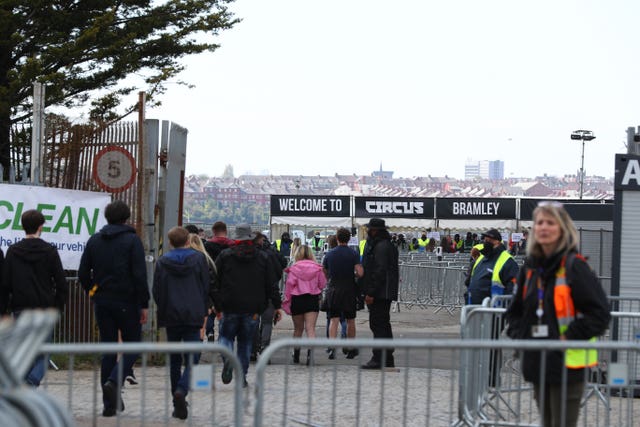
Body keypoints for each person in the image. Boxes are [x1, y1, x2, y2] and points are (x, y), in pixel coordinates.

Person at [505, 202, 610, 427]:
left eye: (550, 223)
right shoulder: (530, 269)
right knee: (547, 422)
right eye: (539, 222)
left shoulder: (575, 267)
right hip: (537, 360)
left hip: (567, 363)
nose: (543, 227)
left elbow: (599, 313)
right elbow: (514, 312)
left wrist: (567, 337)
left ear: (562, 229)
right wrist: (521, 336)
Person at [78, 200, 149, 417]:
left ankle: (109, 405)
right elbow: (139, 274)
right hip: (127, 302)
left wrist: (93, 291)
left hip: (102, 302)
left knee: (108, 349)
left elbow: (83, 273)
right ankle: (115, 381)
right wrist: (144, 303)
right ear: (126, 217)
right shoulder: (132, 241)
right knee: (133, 346)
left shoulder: (94, 240)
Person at [0, 209, 67, 387]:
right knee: (44, 354)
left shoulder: (13, 251)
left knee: (25, 352)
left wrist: (3, 309)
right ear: (40, 226)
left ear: (22, 226)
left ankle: (22, 387)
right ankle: (30, 382)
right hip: (45, 309)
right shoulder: (50, 251)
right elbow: (61, 283)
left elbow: (5, 284)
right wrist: (58, 307)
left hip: (20, 308)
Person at [213, 224, 283, 388]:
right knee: (245, 343)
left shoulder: (225, 256)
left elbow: (215, 280)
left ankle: (228, 359)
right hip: (252, 308)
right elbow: (271, 284)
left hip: (229, 305)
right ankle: (241, 377)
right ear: (251, 238)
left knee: (225, 337)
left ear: (236, 238)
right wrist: (277, 306)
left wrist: (216, 303)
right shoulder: (262, 257)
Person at [153, 227, 211, 420]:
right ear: (188, 240)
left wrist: (163, 307)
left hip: (171, 314)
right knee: (193, 356)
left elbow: (157, 289)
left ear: (170, 242)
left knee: (175, 359)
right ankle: (182, 389)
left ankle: (176, 399)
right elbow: (205, 286)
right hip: (193, 312)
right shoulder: (198, 259)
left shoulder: (162, 261)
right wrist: (203, 309)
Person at [360, 218, 399, 370]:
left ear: (375, 231)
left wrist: (371, 292)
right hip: (385, 291)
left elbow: (379, 271)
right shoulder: (385, 245)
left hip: (381, 292)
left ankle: (379, 357)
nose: (368, 231)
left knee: (378, 325)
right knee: (383, 324)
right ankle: (387, 357)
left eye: (370, 229)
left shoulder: (381, 247)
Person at [322, 227, 364, 360]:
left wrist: (330, 277)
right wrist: (354, 275)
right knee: (350, 320)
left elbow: (324, 271)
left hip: (334, 289)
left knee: (334, 320)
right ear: (349, 238)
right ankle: (351, 349)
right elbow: (360, 272)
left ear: (337, 238)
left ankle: (332, 348)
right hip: (349, 289)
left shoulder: (329, 254)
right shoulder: (353, 254)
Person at [282, 244, 327, 364]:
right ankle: (310, 356)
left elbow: (289, 286)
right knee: (310, 329)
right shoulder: (317, 268)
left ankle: (296, 355)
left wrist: (287, 302)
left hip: (297, 300)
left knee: (298, 329)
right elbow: (322, 284)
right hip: (312, 299)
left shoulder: (294, 269)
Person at [466, 229, 518, 305]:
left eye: (489, 240)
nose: (486, 242)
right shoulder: (481, 258)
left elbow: (513, 288)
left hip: (494, 311)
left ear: (497, 242)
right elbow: (471, 279)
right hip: (475, 310)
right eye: (485, 239)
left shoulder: (507, 260)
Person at [188, 233, 217, 342]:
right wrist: (212, 303)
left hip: (184, 299)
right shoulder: (206, 259)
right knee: (200, 330)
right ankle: (196, 354)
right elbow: (210, 283)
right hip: (201, 301)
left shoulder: (183, 259)